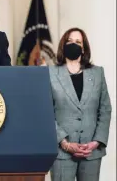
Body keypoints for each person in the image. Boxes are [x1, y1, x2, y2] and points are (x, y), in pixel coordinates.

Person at [49, 27, 112, 181]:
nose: (73, 44)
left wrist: (96, 142)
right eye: (69, 41)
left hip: (91, 151)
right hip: (61, 152)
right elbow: (46, 112)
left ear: (84, 48)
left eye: (78, 42)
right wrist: (64, 143)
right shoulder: (49, 73)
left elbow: (105, 109)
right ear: (63, 45)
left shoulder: (97, 73)